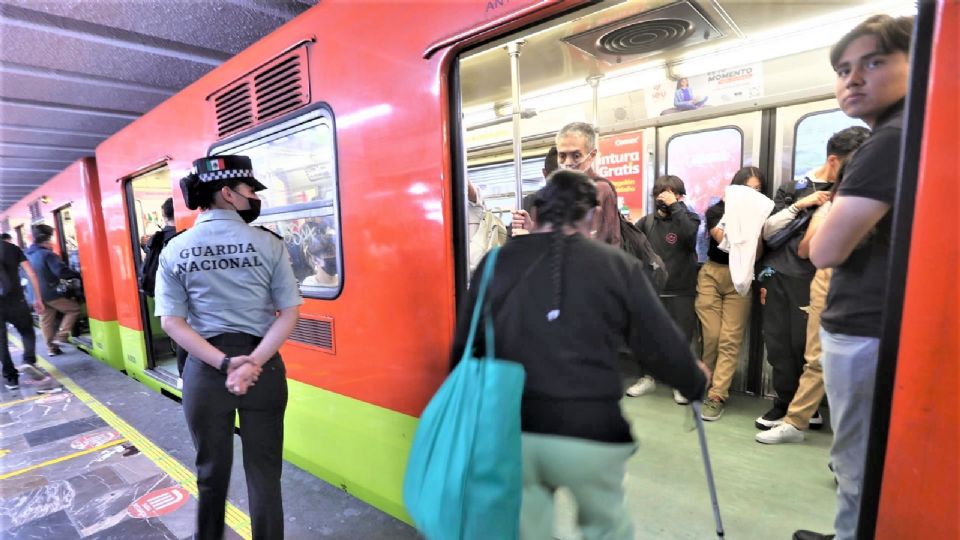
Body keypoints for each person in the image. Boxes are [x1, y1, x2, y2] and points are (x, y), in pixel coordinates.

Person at [450, 169, 708, 540]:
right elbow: (657, 342)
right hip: (592, 429)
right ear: (589, 216)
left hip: (517, 427)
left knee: (527, 526)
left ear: (535, 215)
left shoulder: (496, 263)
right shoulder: (618, 265)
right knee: (605, 524)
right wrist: (693, 379)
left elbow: (466, 345)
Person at [795, 14, 914, 540]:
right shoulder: (907, 135)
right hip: (883, 321)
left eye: (875, 61)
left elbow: (824, 249)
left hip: (864, 327)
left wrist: (824, 209)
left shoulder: (887, 143)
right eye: (844, 69)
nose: (854, 79)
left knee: (857, 464)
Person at [155, 155, 302, 540]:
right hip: (264, 369)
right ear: (227, 193)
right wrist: (252, 361)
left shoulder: (175, 249)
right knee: (265, 475)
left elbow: (171, 322)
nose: (253, 196)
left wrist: (224, 362)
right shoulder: (269, 244)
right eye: (249, 189)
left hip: (205, 372)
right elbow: (288, 313)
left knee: (210, 475)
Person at [755, 127, 869, 444]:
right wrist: (800, 206)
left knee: (806, 348)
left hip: (821, 277)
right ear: (834, 161)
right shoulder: (795, 187)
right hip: (782, 274)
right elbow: (766, 233)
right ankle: (785, 405)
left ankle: (806, 410)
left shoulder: (855, 190)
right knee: (778, 344)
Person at [696, 166, 765, 421]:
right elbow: (722, 240)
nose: (753, 194)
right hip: (713, 274)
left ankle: (717, 395)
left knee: (730, 339)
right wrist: (737, 213)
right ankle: (703, 381)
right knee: (711, 335)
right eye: (748, 189)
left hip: (742, 278)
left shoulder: (761, 216)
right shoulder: (717, 210)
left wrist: (755, 224)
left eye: (757, 190)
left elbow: (756, 254)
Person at [630, 175, 701, 402]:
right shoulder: (646, 223)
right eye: (662, 194)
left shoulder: (689, 218)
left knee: (681, 339)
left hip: (682, 291)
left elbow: (690, 237)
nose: (666, 199)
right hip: (652, 291)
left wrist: (675, 206)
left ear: (680, 197)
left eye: (673, 194)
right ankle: (647, 377)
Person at [25, 224, 82, 356]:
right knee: (73, 309)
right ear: (46, 241)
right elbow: (61, 271)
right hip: (49, 292)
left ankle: (51, 348)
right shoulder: (47, 254)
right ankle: (61, 337)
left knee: (46, 320)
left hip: (35, 295)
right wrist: (77, 274)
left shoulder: (27, 254)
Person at [1, 238, 49, 390]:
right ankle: (28, 360)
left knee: (1, 340)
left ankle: (11, 378)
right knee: (27, 331)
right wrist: (38, 299)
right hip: (17, 301)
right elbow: (31, 274)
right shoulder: (12, 248)